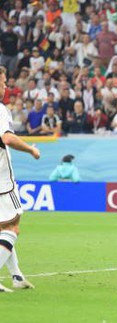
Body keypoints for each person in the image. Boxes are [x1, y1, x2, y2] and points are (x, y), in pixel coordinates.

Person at [0, 66, 39, 291]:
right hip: (2, 183)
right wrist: (31, 150)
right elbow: (7, 138)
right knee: (12, 228)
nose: (5, 88)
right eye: (3, 83)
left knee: (2, 228)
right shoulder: (0, 110)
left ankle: (16, 275)